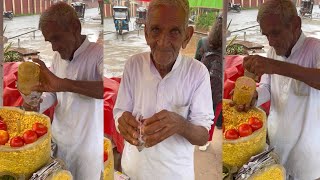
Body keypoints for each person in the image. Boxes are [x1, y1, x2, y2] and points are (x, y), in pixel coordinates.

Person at [113, 0, 214, 179]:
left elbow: (203, 137)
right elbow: (120, 111)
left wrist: (180, 125)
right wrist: (122, 121)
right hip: (132, 172)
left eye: (174, 32)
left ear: (187, 36)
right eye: (156, 30)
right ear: (145, 33)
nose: (163, 42)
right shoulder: (133, 65)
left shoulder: (197, 73)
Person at [234, 0, 320, 179]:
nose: (271, 42)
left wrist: (275, 66)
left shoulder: (315, 49)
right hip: (276, 146)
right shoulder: (273, 52)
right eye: (266, 35)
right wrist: (254, 96)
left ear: (296, 24)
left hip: (306, 158)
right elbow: (267, 87)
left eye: (276, 33)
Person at [23, 2, 104, 179]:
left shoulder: (98, 53)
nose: (53, 47)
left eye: (56, 38)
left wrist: (64, 84)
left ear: (76, 27)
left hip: (87, 151)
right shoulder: (58, 57)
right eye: (49, 41)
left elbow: (106, 89)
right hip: (58, 143)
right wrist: (35, 104)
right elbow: (53, 92)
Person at [198, 16, 223, 151]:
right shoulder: (225, 48)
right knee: (212, 115)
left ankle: (200, 137)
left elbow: (196, 62)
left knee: (201, 111)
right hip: (218, 89)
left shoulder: (204, 42)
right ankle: (206, 140)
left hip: (204, 85)